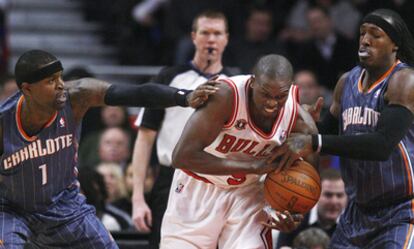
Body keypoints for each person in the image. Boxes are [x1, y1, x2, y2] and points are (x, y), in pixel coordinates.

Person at [0, 49, 216, 248]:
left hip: (64, 204)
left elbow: (135, 93)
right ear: (27, 89)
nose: (60, 85)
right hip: (13, 211)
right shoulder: (4, 124)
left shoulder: (76, 96)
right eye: (50, 81)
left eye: (60, 77)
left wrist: (184, 97)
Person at [160, 54, 318, 249]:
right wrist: (251, 166)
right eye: (266, 94)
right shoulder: (226, 96)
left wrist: (292, 212)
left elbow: (310, 155)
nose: (272, 103)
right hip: (199, 187)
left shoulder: (298, 120)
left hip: (247, 195)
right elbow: (182, 156)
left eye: (280, 97)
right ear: (252, 82)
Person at [287, 9, 414, 248]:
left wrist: (316, 140)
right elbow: (328, 136)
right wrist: (313, 126)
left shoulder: (404, 80)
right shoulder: (346, 82)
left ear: (394, 44)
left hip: (400, 210)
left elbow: (382, 145)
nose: (365, 40)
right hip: (356, 211)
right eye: (362, 33)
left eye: (375, 35)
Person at [131, 10, 234, 249]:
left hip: (216, 182)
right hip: (171, 178)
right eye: (205, 33)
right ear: (193, 37)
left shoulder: (236, 83)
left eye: (217, 33)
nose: (211, 39)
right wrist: (138, 198)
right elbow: (145, 138)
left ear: (226, 38)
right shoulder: (169, 77)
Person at [276, 168, 347, 248]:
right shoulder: (295, 220)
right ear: (316, 195)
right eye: (328, 195)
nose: (334, 201)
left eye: (339, 195)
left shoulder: (353, 225)